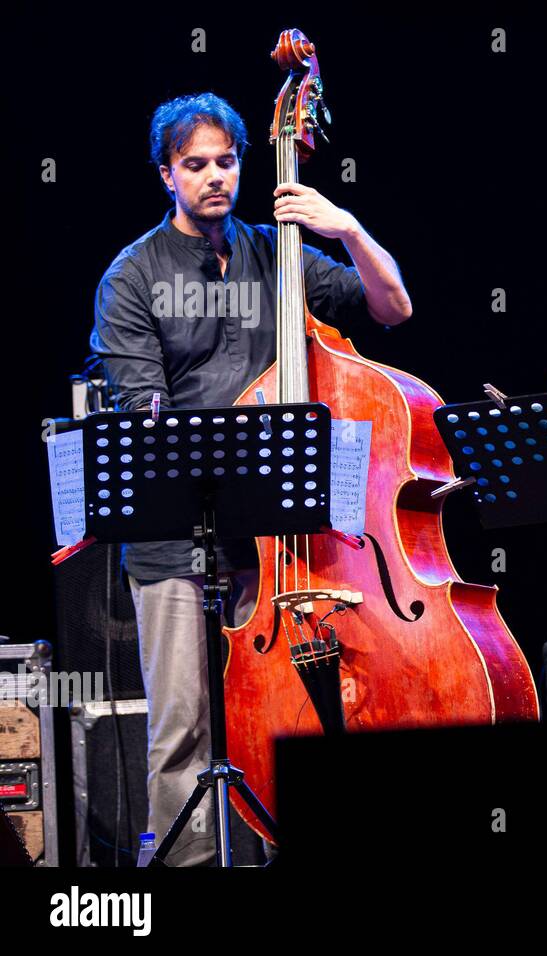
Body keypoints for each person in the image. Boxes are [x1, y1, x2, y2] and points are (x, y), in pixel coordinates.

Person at [90, 92, 411, 865]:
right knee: (186, 731)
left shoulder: (281, 250)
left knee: (286, 716)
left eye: (227, 161)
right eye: (195, 165)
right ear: (167, 174)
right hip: (179, 542)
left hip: (286, 544)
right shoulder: (132, 276)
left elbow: (392, 308)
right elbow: (145, 409)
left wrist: (349, 229)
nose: (214, 177)